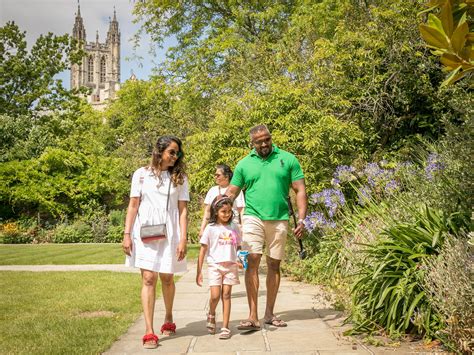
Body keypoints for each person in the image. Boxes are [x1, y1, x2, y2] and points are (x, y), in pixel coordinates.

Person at [225, 124, 307, 330]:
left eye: (267, 139)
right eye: (259, 141)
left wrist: (303, 219)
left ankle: (269, 313)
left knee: (274, 265)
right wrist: (220, 209)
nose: (264, 143)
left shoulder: (288, 159)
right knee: (252, 261)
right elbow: (232, 191)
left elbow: (300, 189)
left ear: (271, 138)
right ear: (252, 143)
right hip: (253, 217)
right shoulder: (244, 164)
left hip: (279, 218)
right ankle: (253, 316)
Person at [122, 135, 189, 349]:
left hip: (170, 232)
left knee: (167, 278)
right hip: (144, 232)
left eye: (177, 153)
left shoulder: (180, 177)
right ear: (159, 151)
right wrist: (126, 234)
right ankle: (149, 331)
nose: (175, 156)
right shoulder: (141, 175)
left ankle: (168, 316)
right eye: (171, 152)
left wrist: (183, 238)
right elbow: (133, 205)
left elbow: (183, 210)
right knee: (149, 278)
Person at [196, 195, 241, 340]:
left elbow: (238, 245)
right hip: (214, 266)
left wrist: (240, 258)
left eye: (229, 211)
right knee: (215, 296)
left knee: (226, 295)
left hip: (231, 266)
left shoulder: (234, 226)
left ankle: (225, 327)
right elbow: (203, 250)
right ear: (216, 212)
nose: (227, 214)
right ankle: (212, 313)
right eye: (223, 212)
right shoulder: (210, 228)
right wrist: (199, 271)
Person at [198, 164, 245, 237]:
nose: (215, 177)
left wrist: (243, 228)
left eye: (218, 175)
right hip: (215, 229)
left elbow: (241, 211)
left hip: (232, 228)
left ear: (226, 177)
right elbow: (207, 211)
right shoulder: (212, 190)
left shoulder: (236, 190)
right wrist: (202, 229)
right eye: (215, 175)